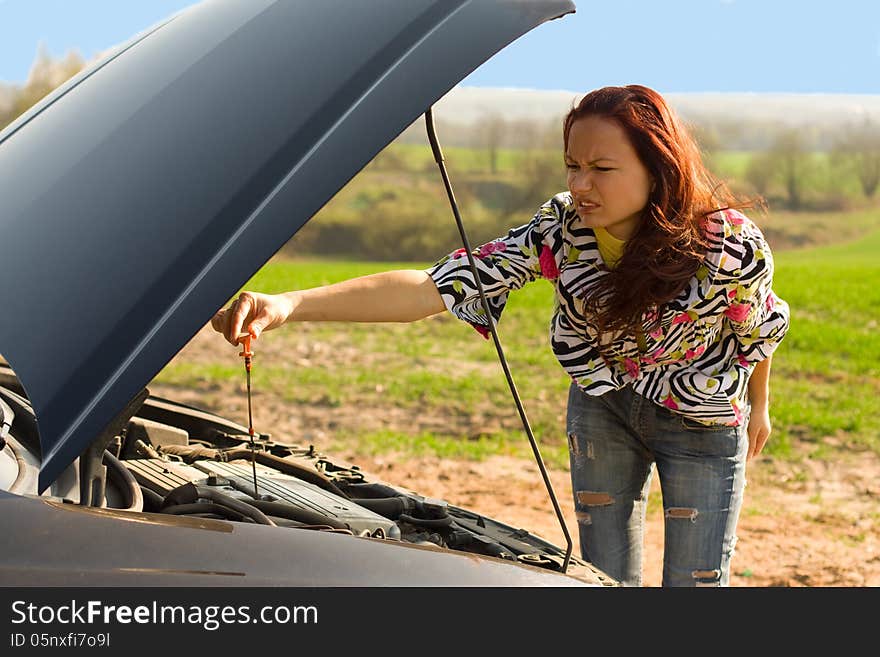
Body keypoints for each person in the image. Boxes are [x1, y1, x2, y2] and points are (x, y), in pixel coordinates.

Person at [211, 84, 790, 587]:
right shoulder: (560, 229)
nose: (581, 184)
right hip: (602, 407)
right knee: (603, 579)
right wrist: (288, 304)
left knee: (696, 582)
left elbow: (756, 333)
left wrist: (759, 406)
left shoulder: (725, 246)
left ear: (657, 167)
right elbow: (432, 287)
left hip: (700, 417)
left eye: (602, 168)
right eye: (572, 165)